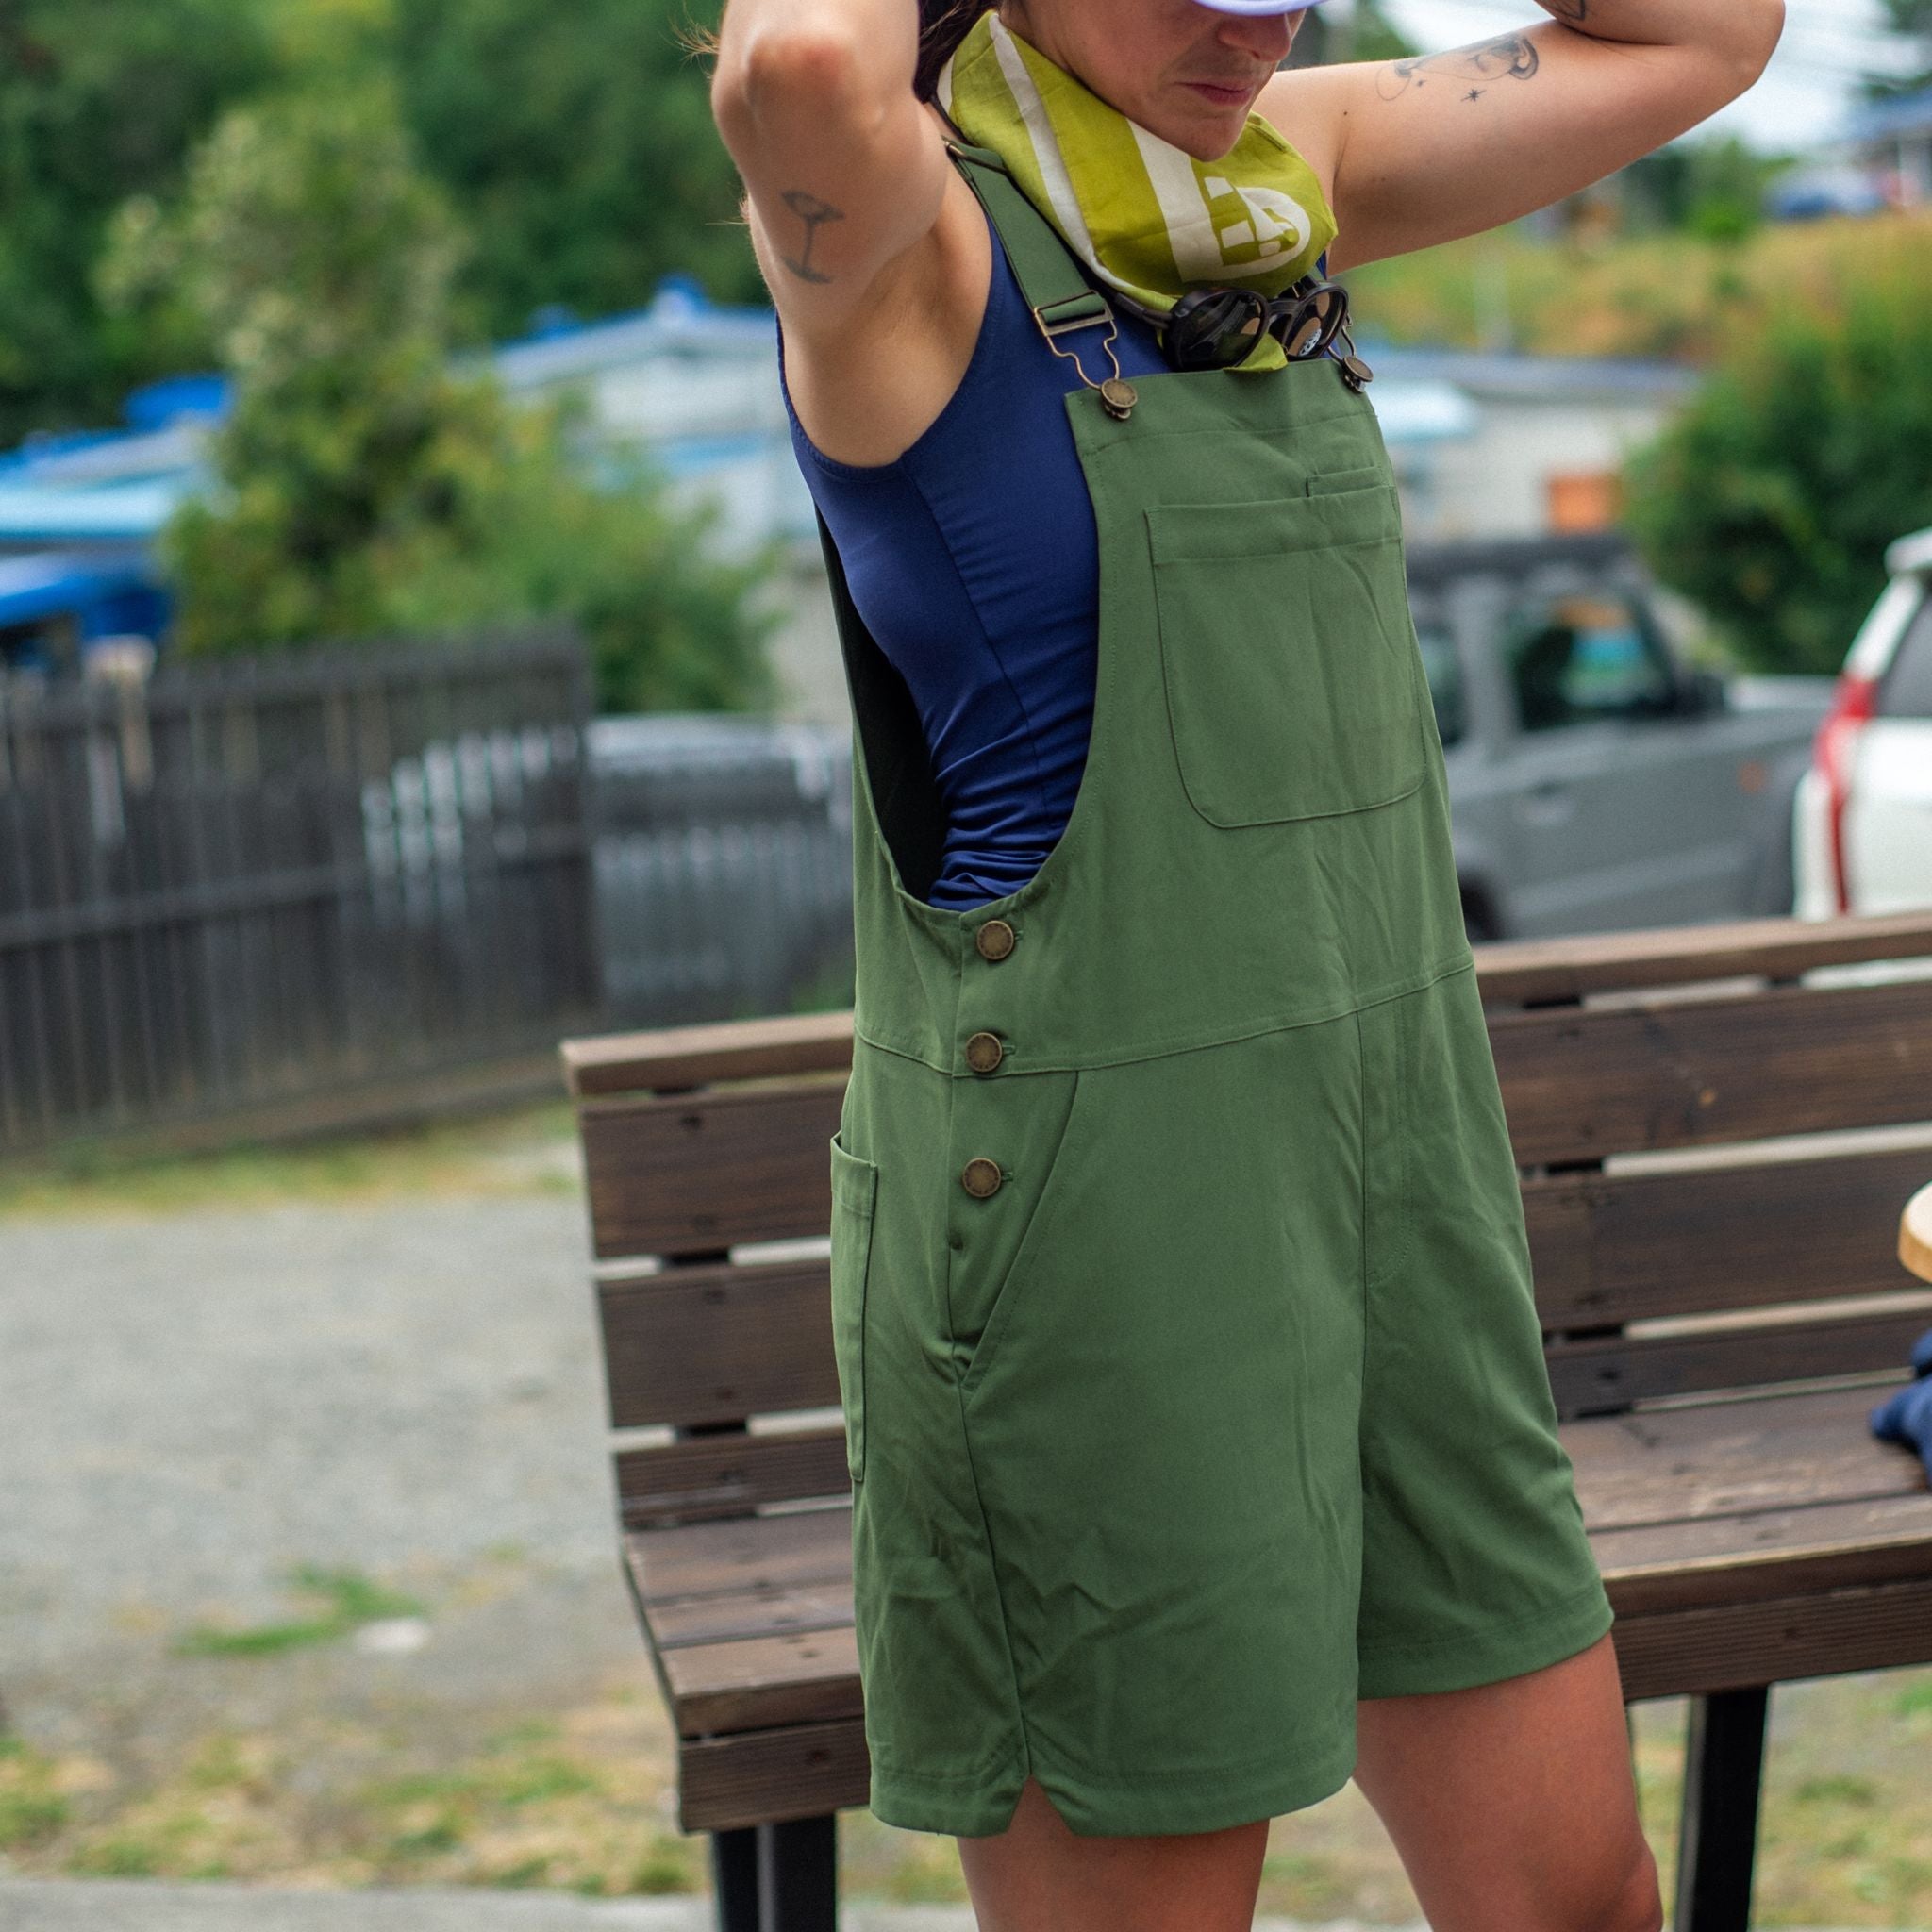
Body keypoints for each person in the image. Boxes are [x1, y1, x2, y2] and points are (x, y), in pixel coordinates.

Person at [706, 0, 1784, 1926]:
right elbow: (796, 63)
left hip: (1397, 1211)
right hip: (1102, 1264)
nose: (1245, 13)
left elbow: (1706, 35)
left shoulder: (1293, 176)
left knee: (1578, 1903)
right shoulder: (904, 247)